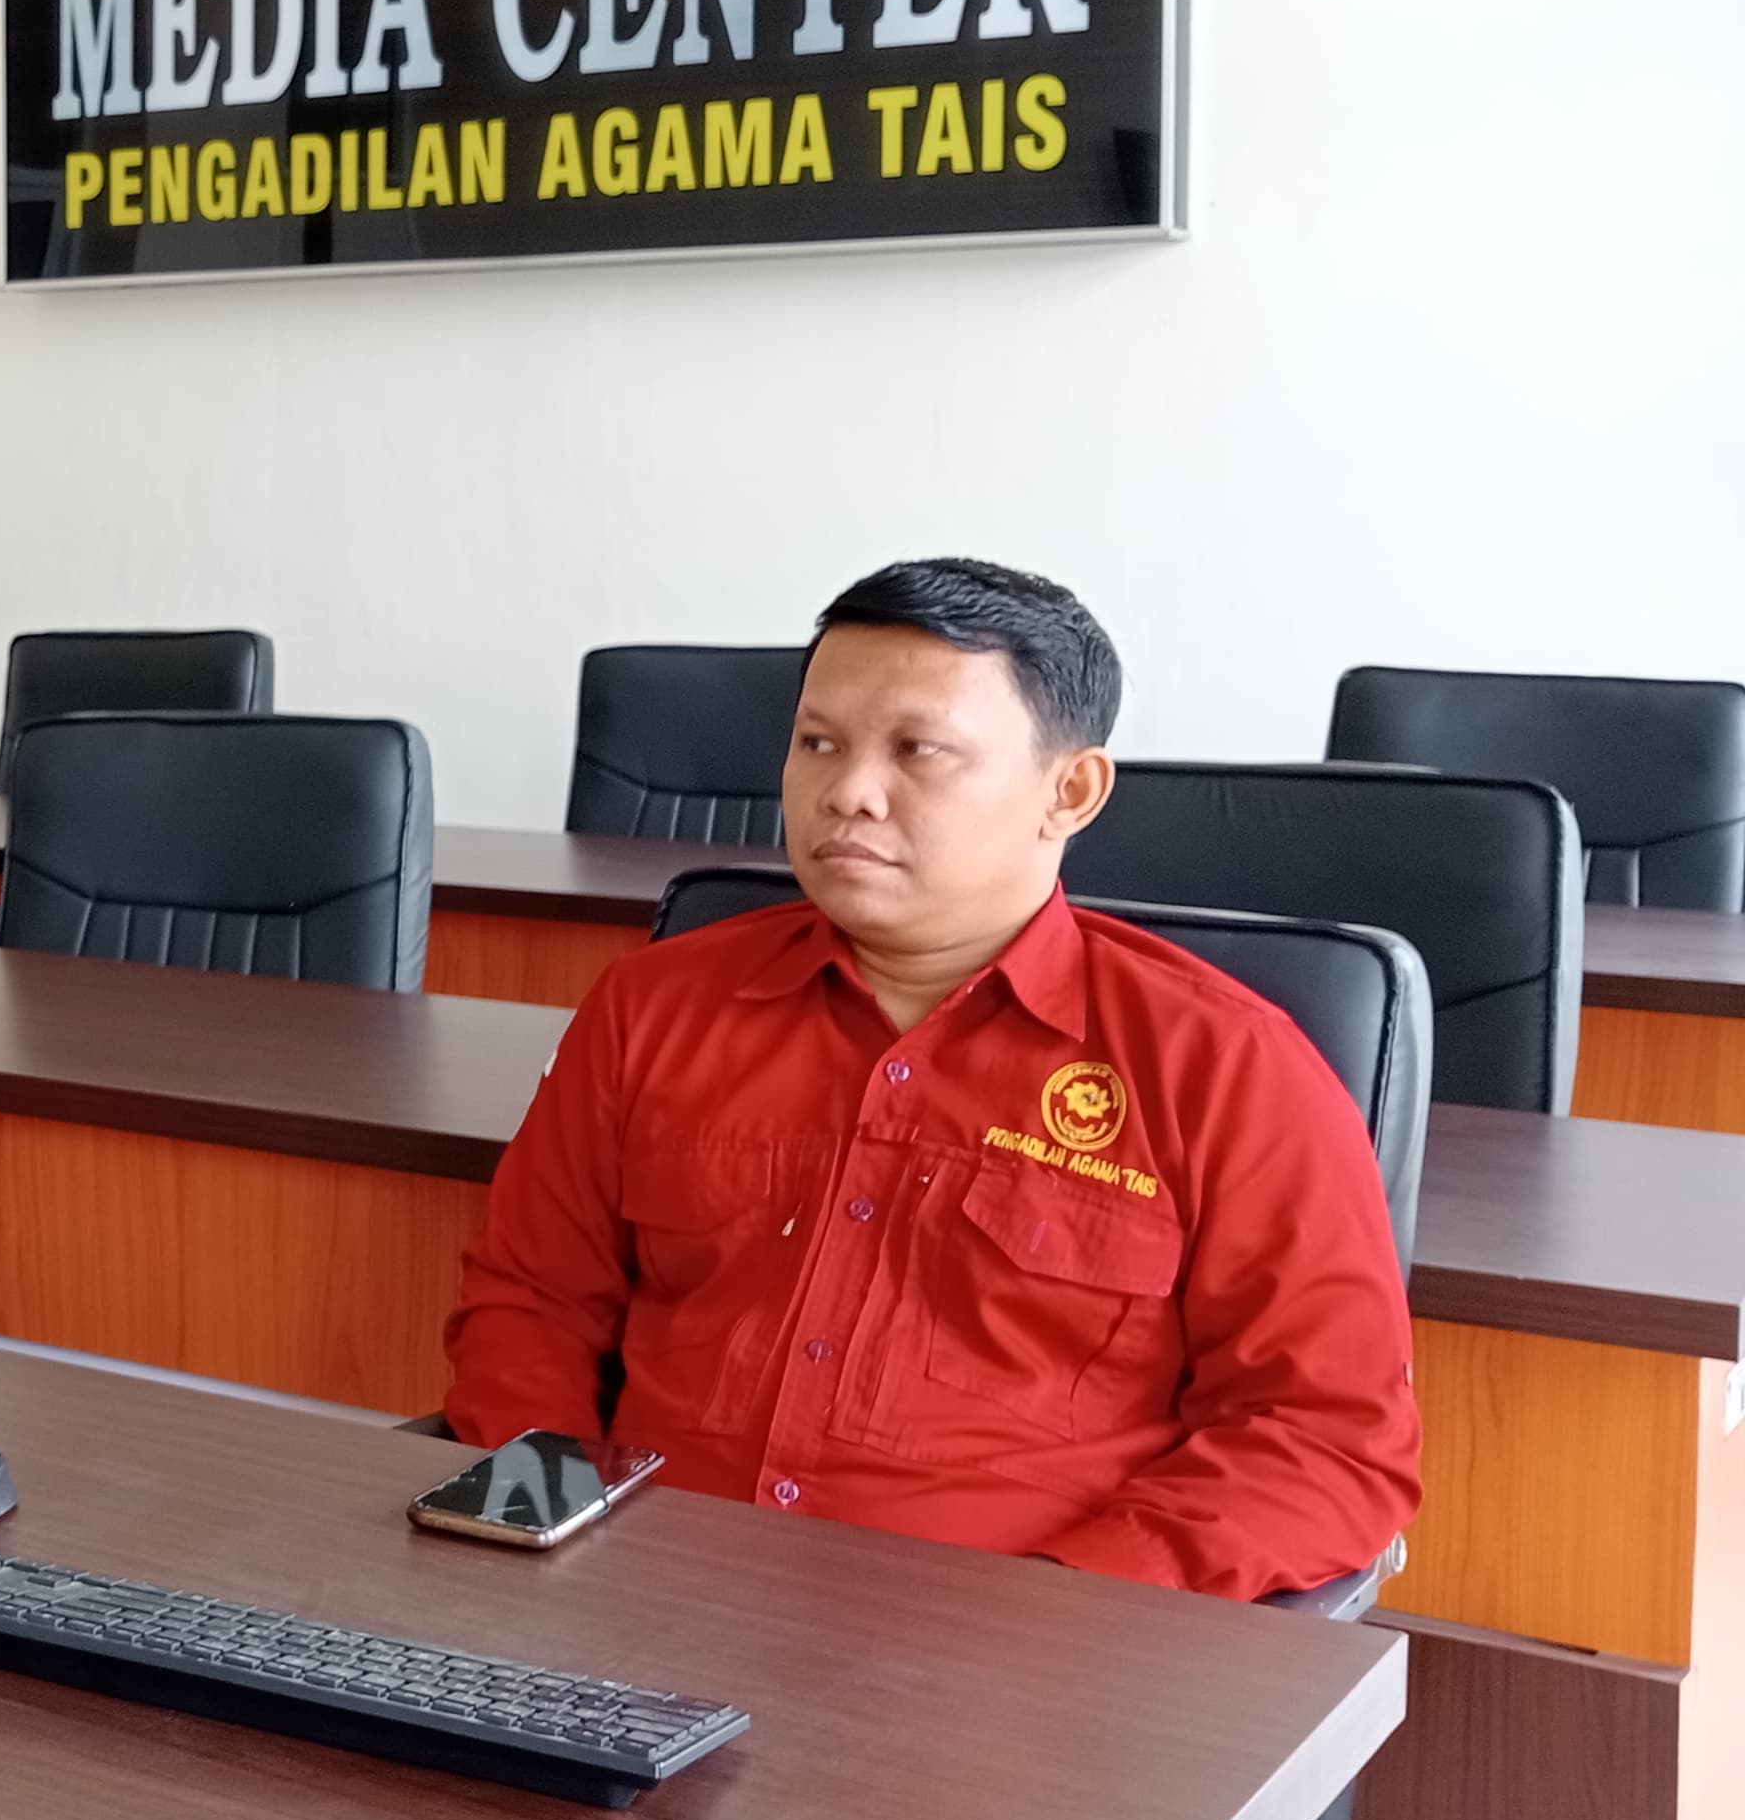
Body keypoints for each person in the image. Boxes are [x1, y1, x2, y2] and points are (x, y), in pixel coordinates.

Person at [441, 557, 1419, 1603]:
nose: (847, 792)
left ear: (1070, 792)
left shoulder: (1226, 1069)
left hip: (1014, 1656)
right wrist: (544, 1555)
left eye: (919, 751)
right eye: (818, 744)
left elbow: (1325, 1443)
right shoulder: (656, 1006)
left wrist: (1053, 1615)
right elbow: (532, 1306)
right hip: (639, 1602)